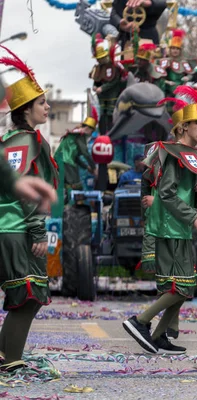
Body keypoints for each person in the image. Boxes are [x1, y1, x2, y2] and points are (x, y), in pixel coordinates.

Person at [123, 87, 197, 354]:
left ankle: (160, 334)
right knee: (181, 286)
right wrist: (194, 216)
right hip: (169, 228)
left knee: (182, 287)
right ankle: (139, 321)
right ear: (182, 127)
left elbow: (194, 197)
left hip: (181, 228)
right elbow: (166, 193)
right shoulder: (174, 154)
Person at [0, 46, 59, 371]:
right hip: (18, 229)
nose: (47, 107)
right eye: (41, 103)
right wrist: (38, 229)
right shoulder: (31, 142)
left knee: (22, 294)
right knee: (29, 295)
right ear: (25, 109)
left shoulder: (11, 140)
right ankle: (12, 361)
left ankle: (4, 354)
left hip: (8, 227)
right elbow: (27, 189)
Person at [89, 34, 125, 134]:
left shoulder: (114, 67)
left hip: (112, 95)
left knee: (110, 114)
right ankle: (102, 133)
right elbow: (96, 80)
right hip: (102, 97)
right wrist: (95, 87)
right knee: (102, 115)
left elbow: (114, 81)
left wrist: (103, 88)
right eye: (99, 58)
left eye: (102, 57)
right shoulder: (98, 68)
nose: (100, 60)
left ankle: (111, 133)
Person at [54, 108, 98, 190]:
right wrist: (94, 168)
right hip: (66, 161)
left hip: (60, 160)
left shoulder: (75, 134)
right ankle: (71, 202)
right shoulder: (80, 135)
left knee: (64, 186)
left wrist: (87, 167)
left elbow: (76, 157)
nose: (91, 135)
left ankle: (65, 201)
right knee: (76, 186)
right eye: (92, 132)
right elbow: (85, 153)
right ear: (88, 129)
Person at [159, 29, 195, 99]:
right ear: (170, 49)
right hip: (167, 90)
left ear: (180, 50)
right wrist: (167, 82)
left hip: (181, 91)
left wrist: (187, 77)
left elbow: (191, 74)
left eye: (177, 49)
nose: (175, 50)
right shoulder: (165, 61)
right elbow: (159, 77)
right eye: (173, 48)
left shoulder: (184, 62)